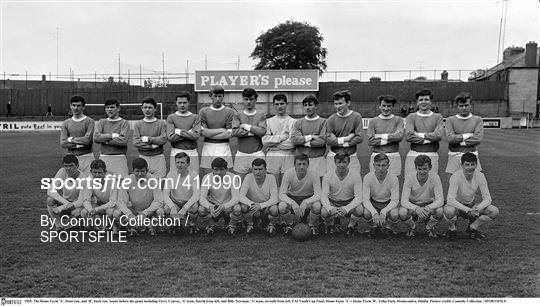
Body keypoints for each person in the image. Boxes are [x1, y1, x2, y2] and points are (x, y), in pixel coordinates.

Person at [443, 153, 498, 240]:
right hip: (457, 206)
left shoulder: (480, 175)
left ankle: (473, 228)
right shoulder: (455, 176)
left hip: (471, 205)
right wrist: (467, 210)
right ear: (462, 165)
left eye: (472, 164)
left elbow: (487, 198)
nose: (470, 167)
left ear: (476, 165)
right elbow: (450, 200)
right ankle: (452, 229)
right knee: (449, 211)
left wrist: (477, 208)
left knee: (494, 211)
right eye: (467, 164)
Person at [116, 158, 165, 236]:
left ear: (147, 170)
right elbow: (121, 201)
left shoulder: (153, 179)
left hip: (150, 211)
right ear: (133, 171)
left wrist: (145, 213)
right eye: (137, 171)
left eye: (142, 171)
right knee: (117, 213)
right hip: (134, 210)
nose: (139, 174)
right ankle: (133, 227)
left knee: (160, 211)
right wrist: (129, 214)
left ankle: (151, 227)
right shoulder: (127, 180)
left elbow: (159, 201)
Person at [399, 155, 444, 238]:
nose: (422, 172)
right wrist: (416, 208)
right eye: (419, 169)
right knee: (402, 212)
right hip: (414, 206)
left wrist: (427, 207)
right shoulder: (409, 178)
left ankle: (429, 227)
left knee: (440, 211)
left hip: (428, 206)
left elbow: (440, 200)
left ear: (430, 168)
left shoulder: (435, 177)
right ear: (416, 168)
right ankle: (412, 227)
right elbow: (403, 201)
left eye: (425, 169)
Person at [320, 153, 363, 236]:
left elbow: (358, 197)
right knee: (324, 212)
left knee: (360, 210)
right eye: (339, 162)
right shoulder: (328, 175)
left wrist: (346, 208)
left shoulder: (356, 175)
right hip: (333, 202)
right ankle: (331, 224)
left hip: (348, 202)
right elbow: (324, 196)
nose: (341, 165)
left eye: (344, 162)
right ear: (335, 162)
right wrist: (330, 208)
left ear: (349, 162)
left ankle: (351, 226)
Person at [404, 89, 444, 178]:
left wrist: (419, 134)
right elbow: (409, 136)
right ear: (417, 102)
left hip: (432, 154)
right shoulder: (411, 117)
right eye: (421, 100)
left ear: (430, 102)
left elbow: (439, 135)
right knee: (410, 185)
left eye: (426, 99)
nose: (423, 102)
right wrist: (430, 138)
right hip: (414, 154)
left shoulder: (438, 117)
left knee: (430, 186)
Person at [278, 153, 322, 236]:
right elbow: (281, 194)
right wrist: (292, 203)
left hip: (308, 197)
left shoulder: (314, 174)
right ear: (294, 165)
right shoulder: (288, 173)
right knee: (282, 206)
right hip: (292, 197)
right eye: (299, 164)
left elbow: (318, 194)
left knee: (317, 206)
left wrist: (306, 202)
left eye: (304, 164)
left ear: (308, 165)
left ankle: (311, 225)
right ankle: (289, 224)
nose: (301, 166)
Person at [199, 85, 235, 178]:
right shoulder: (203, 111)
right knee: (207, 178)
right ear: (210, 96)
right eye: (215, 96)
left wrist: (209, 133)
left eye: (220, 96)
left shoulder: (230, 112)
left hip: (224, 147)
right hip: (208, 147)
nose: (218, 99)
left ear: (223, 96)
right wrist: (221, 130)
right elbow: (202, 132)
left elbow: (229, 133)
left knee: (225, 178)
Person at [361, 153, 400, 238]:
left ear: (388, 166)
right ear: (374, 165)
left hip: (388, 202)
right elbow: (365, 200)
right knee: (366, 213)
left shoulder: (393, 178)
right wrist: (374, 213)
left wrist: (383, 212)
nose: (381, 168)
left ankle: (388, 227)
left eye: (383, 165)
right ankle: (374, 227)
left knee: (395, 214)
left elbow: (395, 200)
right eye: (378, 165)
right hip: (374, 202)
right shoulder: (367, 177)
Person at [198, 158, 240, 235]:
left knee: (237, 208)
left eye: (221, 169)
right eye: (216, 169)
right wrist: (209, 206)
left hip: (227, 206)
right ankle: (211, 225)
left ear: (226, 169)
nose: (218, 172)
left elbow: (236, 198)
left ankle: (231, 226)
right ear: (212, 169)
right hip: (214, 206)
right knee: (201, 209)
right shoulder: (207, 177)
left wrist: (224, 206)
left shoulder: (233, 177)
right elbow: (202, 198)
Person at [232, 88, 267, 180]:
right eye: (246, 99)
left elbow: (262, 132)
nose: (248, 102)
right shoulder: (237, 115)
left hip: (257, 153)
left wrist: (246, 126)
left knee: (259, 183)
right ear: (243, 99)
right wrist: (253, 132)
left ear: (255, 100)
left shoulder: (261, 115)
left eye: (251, 99)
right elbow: (235, 131)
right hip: (241, 153)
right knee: (239, 183)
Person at [445, 92, 483, 176]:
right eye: (461, 106)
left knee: (473, 186)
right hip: (454, 157)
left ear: (470, 105)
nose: (464, 108)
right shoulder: (450, 120)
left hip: (472, 156)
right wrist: (468, 135)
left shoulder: (478, 120)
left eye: (466, 105)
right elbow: (450, 139)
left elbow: (478, 139)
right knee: (453, 186)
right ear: (457, 106)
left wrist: (459, 142)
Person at [262, 93, 296, 186]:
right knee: (274, 185)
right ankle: (274, 201)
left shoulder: (293, 122)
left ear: (286, 104)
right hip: (272, 156)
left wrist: (273, 144)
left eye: (282, 103)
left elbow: (292, 143)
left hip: (288, 155)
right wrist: (281, 137)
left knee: (286, 185)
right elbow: (265, 140)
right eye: (277, 104)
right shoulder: (269, 121)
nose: (279, 106)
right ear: (273, 105)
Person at [325, 90, 363, 173]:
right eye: (336, 104)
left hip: (351, 157)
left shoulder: (356, 116)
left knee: (353, 184)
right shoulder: (331, 119)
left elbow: (359, 137)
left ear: (348, 103)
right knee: (333, 184)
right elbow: (328, 140)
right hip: (334, 157)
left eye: (340, 103)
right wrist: (347, 138)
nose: (337, 106)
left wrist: (340, 142)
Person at [367, 94, 404, 178]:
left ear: (392, 107)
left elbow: (399, 137)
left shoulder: (398, 120)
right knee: (376, 186)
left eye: (388, 106)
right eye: (383, 105)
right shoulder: (373, 121)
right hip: (377, 155)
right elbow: (370, 141)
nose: (386, 108)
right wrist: (392, 138)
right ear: (379, 106)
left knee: (393, 186)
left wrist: (379, 136)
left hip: (393, 155)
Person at [291, 95, 327, 180]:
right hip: (302, 161)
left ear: (316, 106)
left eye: (310, 105)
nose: (308, 107)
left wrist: (304, 141)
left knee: (318, 188)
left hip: (318, 159)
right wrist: (311, 137)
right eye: (306, 105)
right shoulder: (298, 122)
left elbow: (322, 141)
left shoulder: (324, 122)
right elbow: (294, 140)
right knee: (302, 188)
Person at [238, 158, 279, 235]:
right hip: (253, 206)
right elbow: (241, 196)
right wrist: (253, 204)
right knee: (243, 206)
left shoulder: (271, 178)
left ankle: (271, 225)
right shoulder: (248, 177)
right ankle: (250, 224)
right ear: (252, 170)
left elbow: (275, 199)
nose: (258, 172)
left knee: (274, 209)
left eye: (260, 169)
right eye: (255, 169)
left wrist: (260, 206)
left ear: (265, 170)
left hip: (266, 207)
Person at [162, 152, 200, 235]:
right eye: (177, 162)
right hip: (176, 201)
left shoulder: (194, 175)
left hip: (189, 202)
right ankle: (175, 224)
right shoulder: (171, 174)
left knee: (194, 207)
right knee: (167, 208)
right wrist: (172, 207)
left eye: (182, 162)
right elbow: (165, 194)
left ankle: (192, 225)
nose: (179, 165)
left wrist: (185, 208)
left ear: (188, 164)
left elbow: (197, 194)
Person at [79, 159, 120, 232]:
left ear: (105, 172)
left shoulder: (112, 181)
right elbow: (85, 200)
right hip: (100, 205)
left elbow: (113, 202)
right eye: (94, 172)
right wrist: (91, 210)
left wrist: (96, 209)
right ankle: (100, 223)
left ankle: (115, 226)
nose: (97, 175)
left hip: (114, 206)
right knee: (84, 212)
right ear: (91, 172)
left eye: (100, 172)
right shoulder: (89, 181)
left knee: (110, 212)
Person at [46, 155, 84, 231]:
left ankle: (77, 221)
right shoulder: (62, 171)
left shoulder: (83, 178)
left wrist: (64, 207)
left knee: (78, 212)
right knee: (50, 200)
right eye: (66, 166)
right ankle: (59, 226)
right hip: (66, 202)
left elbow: (82, 200)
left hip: (78, 205)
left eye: (71, 166)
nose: (68, 168)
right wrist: (66, 204)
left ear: (77, 166)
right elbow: (50, 191)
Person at [93, 98, 130, 177]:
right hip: (104, 158)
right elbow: (96, 138)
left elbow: (123, 141)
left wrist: (104, 140)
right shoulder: (101, 122)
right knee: (105, 185)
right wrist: (112, 135)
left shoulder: (124, 123)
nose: (109, 109)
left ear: (118, 109)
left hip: (119, 158)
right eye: (107, 107)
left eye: (112, 107)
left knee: (121, 185)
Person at [166, 91, 201, 175]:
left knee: (193, 178)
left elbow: (196, 136)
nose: (182, 105)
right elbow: (170, 137)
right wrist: (189, 133)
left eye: (184, 102)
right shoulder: (171, 117)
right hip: (176, 151)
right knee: (175, 179)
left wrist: (178, 131)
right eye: (180, 102)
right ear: (176, 103)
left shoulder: (195, 117)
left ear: (189, 103)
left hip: (191, 152)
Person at [60, 95, 95, 175]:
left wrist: (71, 139)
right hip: (71, 158)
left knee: (88, 184)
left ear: (83, 107)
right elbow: (62, 143)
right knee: (72, 184)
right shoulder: (66, 123)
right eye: (74, 105)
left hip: (87, 157)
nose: (76, 108)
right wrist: (79, 145)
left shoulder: (90, 121)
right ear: (70, 106)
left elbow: (87, 141)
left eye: (78, 106)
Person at [133, 97, 167, 178]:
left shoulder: (162, 123)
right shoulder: (138, 124)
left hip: (158, 158)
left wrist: (148, 139)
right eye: (145, 107)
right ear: (142, 108)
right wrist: (152, 146)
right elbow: (136, 142)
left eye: (150, 107)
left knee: (159, 185)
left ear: (155, 109)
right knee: (143, 185)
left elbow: (163, 140)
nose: (147, 110)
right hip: (143, 157)